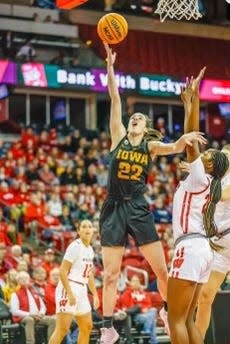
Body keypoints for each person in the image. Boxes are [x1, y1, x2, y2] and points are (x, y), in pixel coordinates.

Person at [99, 42, 207, 344]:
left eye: (139, 119)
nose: (134, 119)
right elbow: (114, 97)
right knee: (109, 274)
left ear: (145, 128)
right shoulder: (118, 136)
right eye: (133, 118)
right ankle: (107, 328)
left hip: (137, 206)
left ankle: (168, 311)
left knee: (161, 269)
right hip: (113, 209)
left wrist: (184, 137)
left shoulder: (149, 145)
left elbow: (173, 147)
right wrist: (109, 67)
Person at [167, 68, 229, 344]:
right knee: (189, 320)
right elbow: (191, 142)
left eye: (209, 154)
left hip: (190, 247)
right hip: (203, 249)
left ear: (210, 165)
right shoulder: (207, 182)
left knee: (176, 320)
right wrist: (190, 105)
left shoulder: (198, 177)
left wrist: (191, 104)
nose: (204, 153)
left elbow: (190, 140)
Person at [195, 143, 230, 339]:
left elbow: (222, 196)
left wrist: (196, 174)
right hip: (220, 245)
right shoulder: (215, 180)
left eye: (226, 156)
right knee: (205, 297)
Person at [48, 219, 99, 344]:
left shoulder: (90, 250)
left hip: (82, 289)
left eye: (89, 226)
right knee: (62, 329)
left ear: (93, 231)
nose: (87, 229)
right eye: (84, 226)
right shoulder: (75, 246)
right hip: (69, 286)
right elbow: (62, 271)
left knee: (87, 327)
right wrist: (69, 293)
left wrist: (95, 294)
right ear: (78, 231)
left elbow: (89, 274)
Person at [10, 271, 56, 344]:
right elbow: (14, 311)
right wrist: (30, 314)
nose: (24, 280)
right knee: (30, 320)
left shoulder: (34, 292)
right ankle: (30, 342)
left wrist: (41, 314)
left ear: (29, 280)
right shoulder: (15, 294)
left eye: (26, 278)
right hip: (24, 317)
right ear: (18, 281)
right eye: (21, 278)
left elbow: (43, 307)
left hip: (38, 316)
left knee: (53, 320)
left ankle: (51, 342)